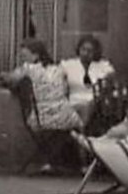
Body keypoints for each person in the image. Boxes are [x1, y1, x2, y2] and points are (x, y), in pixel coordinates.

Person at [7, 38, 84, 170]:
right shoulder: (58, 68)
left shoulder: (28, 68)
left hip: (43, 118)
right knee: (73, 127)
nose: (21, 58)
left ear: (36, 55)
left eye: (24, 55)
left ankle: (53, 161)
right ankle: (75, 162)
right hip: (67, 116)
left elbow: (11, 79)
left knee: (57, 133)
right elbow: (65, 89)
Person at [59, 35, 116, 125]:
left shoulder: (103, 66)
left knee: (89, 106)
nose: (85, 53)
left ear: (95, 52)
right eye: (83, 49)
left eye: (89, 51)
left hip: (96, 103)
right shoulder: (68, 65)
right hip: (74, 102)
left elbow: (111, 79)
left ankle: (81, 129)